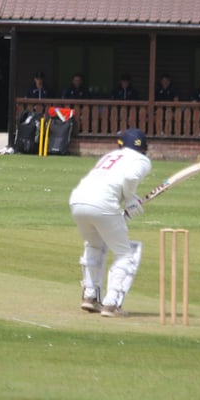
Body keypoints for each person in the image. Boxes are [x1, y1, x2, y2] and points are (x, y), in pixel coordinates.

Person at [69, 128, 151, 317]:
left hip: (78, 201)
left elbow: (108, 184)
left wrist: (126, 205)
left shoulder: (111, 156)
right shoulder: (141, 160)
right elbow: (130, 178)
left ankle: (90, 297)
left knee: (94, 245)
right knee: (126, 254)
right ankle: (111, 304)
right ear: (144, 148)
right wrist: (130, 199)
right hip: (104, 204)